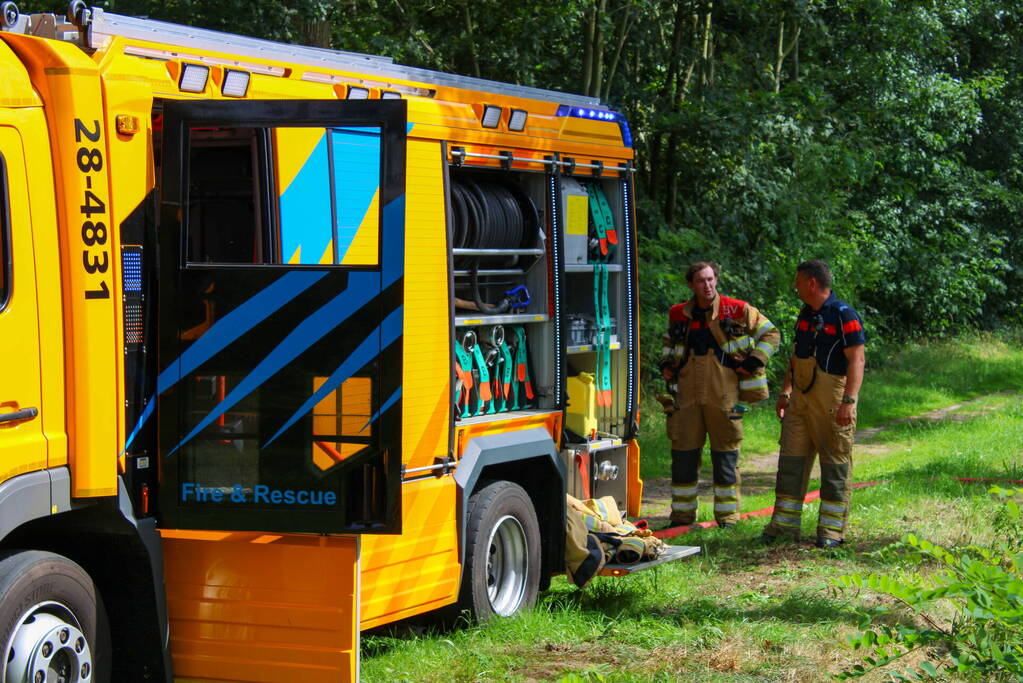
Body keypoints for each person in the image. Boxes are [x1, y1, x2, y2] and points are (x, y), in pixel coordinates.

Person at [658, 261, 780, 528]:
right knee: (683, 455)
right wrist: (666, 365)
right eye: (701, 281)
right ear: (691, 285)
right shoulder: (679, 313)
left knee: (726, 454)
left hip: (724, 391)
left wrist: (756, 360)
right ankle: (681, 517)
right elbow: (670, 343)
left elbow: (771, 334)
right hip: (687, 392)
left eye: (711, 279)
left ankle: (728, 518)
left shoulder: (735, 309)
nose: (708, 285)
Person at [761, 259, 866, 548]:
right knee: (792, 459)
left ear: (811, 283)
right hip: (801, 399)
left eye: (798, 281)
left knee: (834, 463)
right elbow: (796, 356)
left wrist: (849, 400)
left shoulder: (844, 314)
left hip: (832, 398)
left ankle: (831, 532)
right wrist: (786, 391)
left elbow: (857, 359)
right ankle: (782, 526)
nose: (795, 286)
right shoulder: (805, 314)